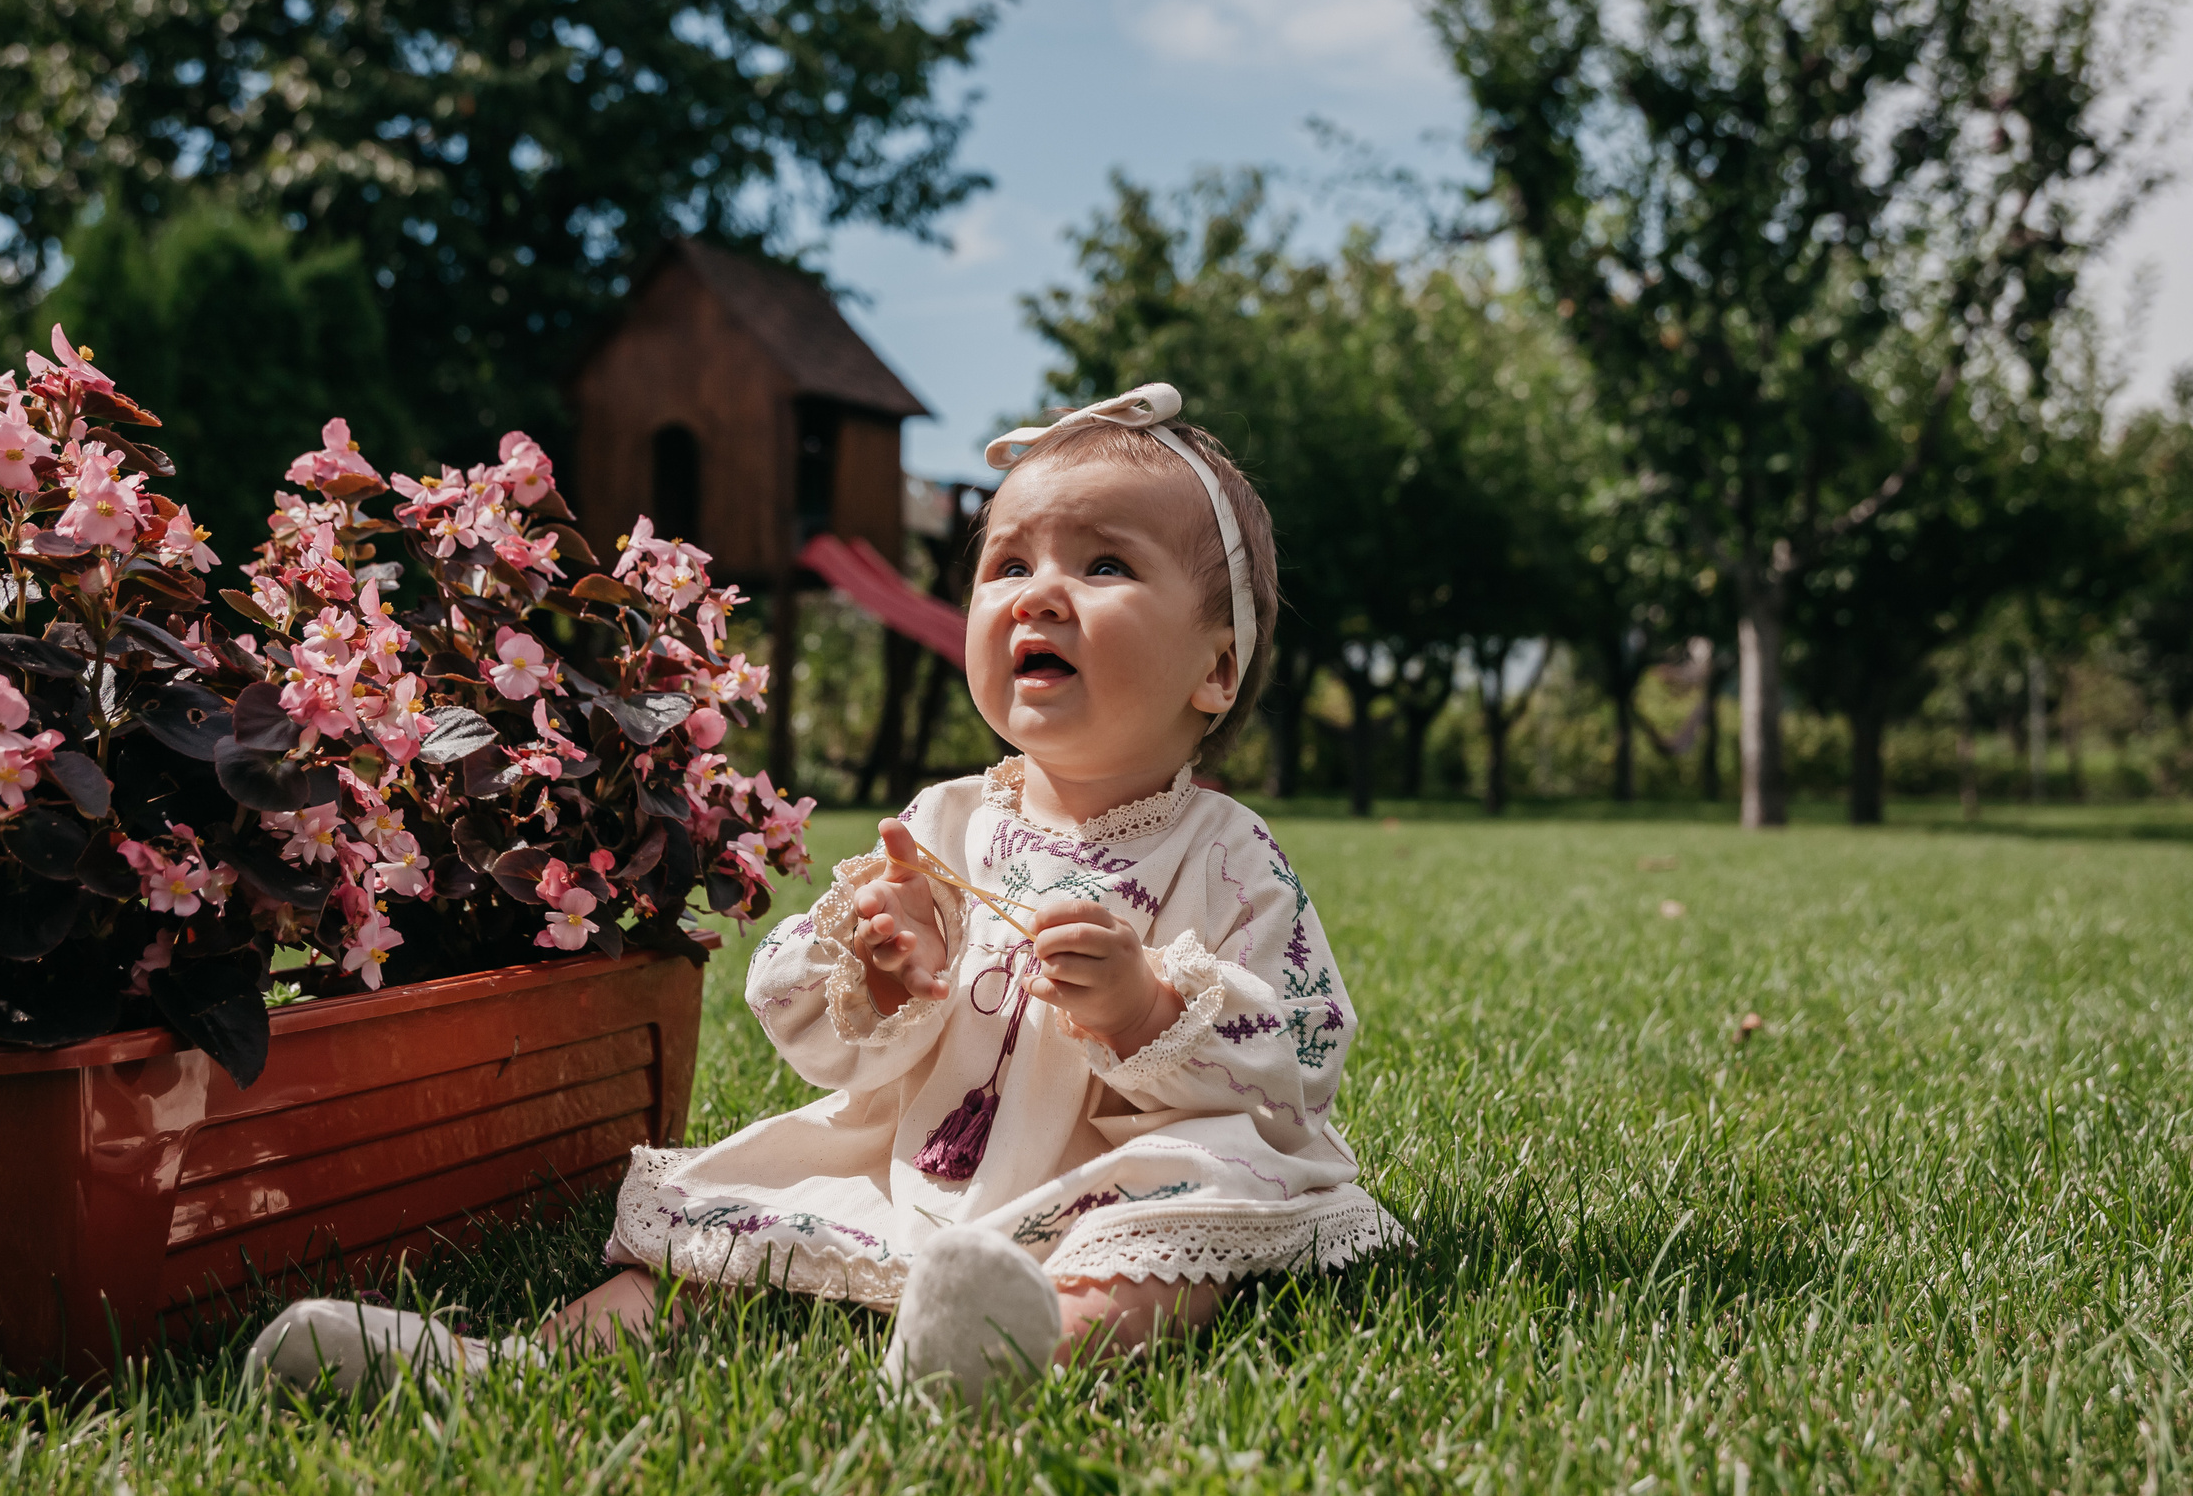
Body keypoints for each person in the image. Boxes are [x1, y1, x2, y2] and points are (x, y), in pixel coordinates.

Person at [249, 385, 1401, 1398]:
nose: (1038, 595)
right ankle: (512, 1363)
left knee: (1166, 1251)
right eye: (1008, 565)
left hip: (1114, 1175)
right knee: (725, 1236)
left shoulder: (1226, 854)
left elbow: (1299, 1048)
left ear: (1215, 668)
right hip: (922, 1166)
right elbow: (821, 1028)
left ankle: (1014, 1354)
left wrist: (1146, 1006)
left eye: (1104, 565)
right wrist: (880, 974)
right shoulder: (945, 824)